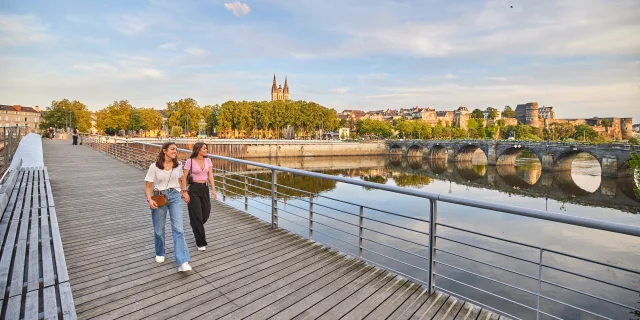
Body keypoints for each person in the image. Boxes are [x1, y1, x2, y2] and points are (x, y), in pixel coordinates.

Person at [144, 142, 193, 272]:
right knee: (159, 230)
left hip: (175, 196)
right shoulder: (154, 167)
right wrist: (149, 200)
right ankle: (160, 251)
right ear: (164, 151)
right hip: (160, 197)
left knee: (179, 229)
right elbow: (148, 187)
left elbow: (181, 179)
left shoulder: (179, 165)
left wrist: (184, 191)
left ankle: (183, 261)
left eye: (176, 150)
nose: (175, 151)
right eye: (172, 149)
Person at [183, 142, 217, 251]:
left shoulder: (208, 160)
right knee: (197, 216)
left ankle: (195, 223)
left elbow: (210, 175)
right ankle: (201, 243)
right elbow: (184, 177)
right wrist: (185, 192)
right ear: (198, 150)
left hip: (205, 188)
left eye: (206, 148)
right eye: (204, 149)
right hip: (194, 189)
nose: (206, 150)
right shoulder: (190, 161)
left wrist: (213, 190)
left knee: (205, 213)